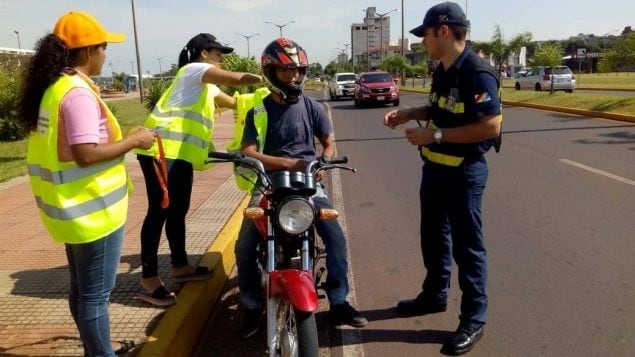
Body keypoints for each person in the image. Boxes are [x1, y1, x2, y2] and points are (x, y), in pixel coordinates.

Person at [18, 11, 155, 356]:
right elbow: (85, 154)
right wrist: (136, 141)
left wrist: (126, 137)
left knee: (81, 291)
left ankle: (97, 348)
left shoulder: (55, 88)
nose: (106, 54)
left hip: (71, 209)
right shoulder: (77, 94)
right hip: (94, 212)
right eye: (104, 47)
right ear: (89, 50)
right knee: (95, 298)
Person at [383, 2, 502, 355]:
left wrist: (433, 137)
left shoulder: (478, 73)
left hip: (464, 172)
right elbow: (439, 109)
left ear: (444, 31)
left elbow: (489, 126)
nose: (423, 42)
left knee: (468, 247)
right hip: (434, 169)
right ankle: (434, 296)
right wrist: (410, 113)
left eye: (426, 36)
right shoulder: (443, 69)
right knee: (433, 237)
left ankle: (473, 319)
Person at [235, 38, 368, 338]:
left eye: (296, 70)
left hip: (308, 182)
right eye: (285, 71)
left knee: (335, 237)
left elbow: (329, 143)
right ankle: (252, 305)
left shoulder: (313, 106)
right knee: (244, 245)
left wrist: (323, 162)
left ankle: (338, 301)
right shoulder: (258, 111)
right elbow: (249, 150)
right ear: (270, 72)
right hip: (267, 184)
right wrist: (284, 163)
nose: (293, 76)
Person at [134, 33, 262, 307]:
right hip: (159, 150)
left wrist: (265, 98)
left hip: (178, 155)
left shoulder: (207, 87)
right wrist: (264, 77)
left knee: (178, 209)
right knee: (159, 211)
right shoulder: (193, 70)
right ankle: (148, 279)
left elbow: (236, 102)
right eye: (217, 52)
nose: (221, 58)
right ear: (203, 53)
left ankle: (180, 266)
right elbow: (237, 78)